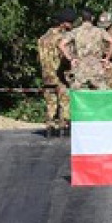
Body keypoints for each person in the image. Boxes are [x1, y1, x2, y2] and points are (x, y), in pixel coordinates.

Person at [38, 8, 74, 137]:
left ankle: (49, 127)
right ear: (63, 23)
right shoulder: (62, 38)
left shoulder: (42, 38)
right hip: (60, 76)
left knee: (50, 103)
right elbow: (66, 57)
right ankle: (64, 127)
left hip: (47, 76)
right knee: (65, 102)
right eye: (70, 22)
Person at [59, 8, 112, 90]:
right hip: (97, 67)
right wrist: (107, 59)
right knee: (101, 93)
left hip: (80, 68)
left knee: (78, 94)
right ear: (92, 18)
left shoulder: (75, 31)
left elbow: (61, 44)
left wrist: (71, 59)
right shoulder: (100, 31)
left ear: (81, 19)